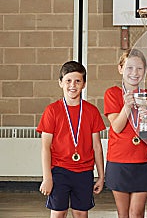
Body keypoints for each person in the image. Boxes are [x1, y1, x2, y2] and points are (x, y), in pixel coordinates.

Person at [37, 61, 105, 218]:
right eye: (68, 80)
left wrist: (101, 176)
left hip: (84, 171)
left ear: (84, 84)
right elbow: (45, 147)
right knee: (59, 213)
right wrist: (47, 177)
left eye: (78, 81)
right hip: (59, 170)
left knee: (81, 213)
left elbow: (97, 147)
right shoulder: (52, 111)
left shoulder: (92, 111)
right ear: (60, 82)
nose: (72, 85)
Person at [103, 49, 147, 218]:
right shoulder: (112, 93)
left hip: (143, 159)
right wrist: (127, 106)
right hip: (119, 160)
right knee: (123, 213)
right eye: (130, 68)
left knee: (137, 213)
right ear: (120, 69)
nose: (134, 73)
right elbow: (117, 127)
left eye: (139, 68)